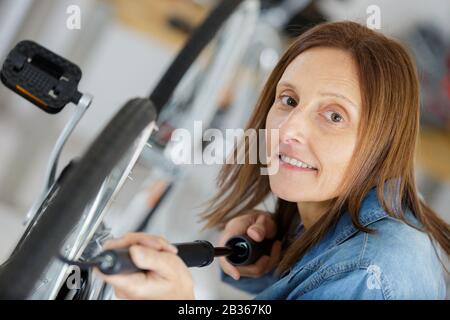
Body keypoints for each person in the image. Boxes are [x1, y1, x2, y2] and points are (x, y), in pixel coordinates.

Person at [96, 21, 450, 299]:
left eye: (334, 116)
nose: (288, 129)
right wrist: (270, 262)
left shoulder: (367, 271)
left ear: (383, 143)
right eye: (289, 100)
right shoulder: (361, 210)